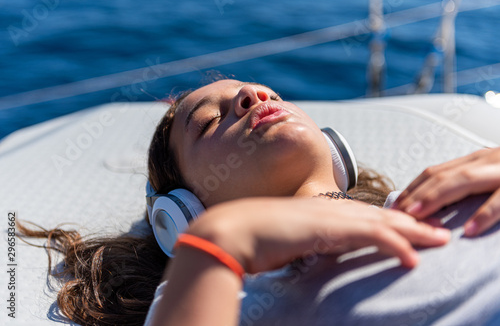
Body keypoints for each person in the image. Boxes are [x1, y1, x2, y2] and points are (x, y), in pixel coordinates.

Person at [20, 78, 500, 326]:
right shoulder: (221, 289)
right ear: (183, 215)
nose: (254, 94)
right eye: (209, 122)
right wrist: (219, 242)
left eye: (263, 91)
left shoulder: (426, 195)